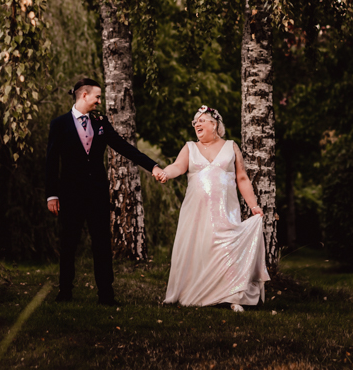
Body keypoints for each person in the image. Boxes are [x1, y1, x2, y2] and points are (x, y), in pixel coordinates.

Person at [45, 77, 164, 305]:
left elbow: (123, 147)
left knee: (101, 242)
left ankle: (106, 294)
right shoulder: (59, 124)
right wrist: (52, 195)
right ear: (84, 95)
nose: (100, 101)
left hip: (97, 194)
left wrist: (152, 166)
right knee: (69, 243)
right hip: (69, 194)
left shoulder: (100, 123)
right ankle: (65, 291)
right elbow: (51, 161)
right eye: (97, 97)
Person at [156, 105, 270, 311]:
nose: (196, 124)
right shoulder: (190, 147)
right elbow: (178, 167)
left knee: (228, 249)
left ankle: (233, 296)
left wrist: (253, 206)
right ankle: (193, 292)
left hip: (226, 210)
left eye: (201, 120)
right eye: (194, 122)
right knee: (198, 248)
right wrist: (166, 172)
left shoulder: (231, 147)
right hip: (196, 212)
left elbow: (242, 177)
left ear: (214, 124)